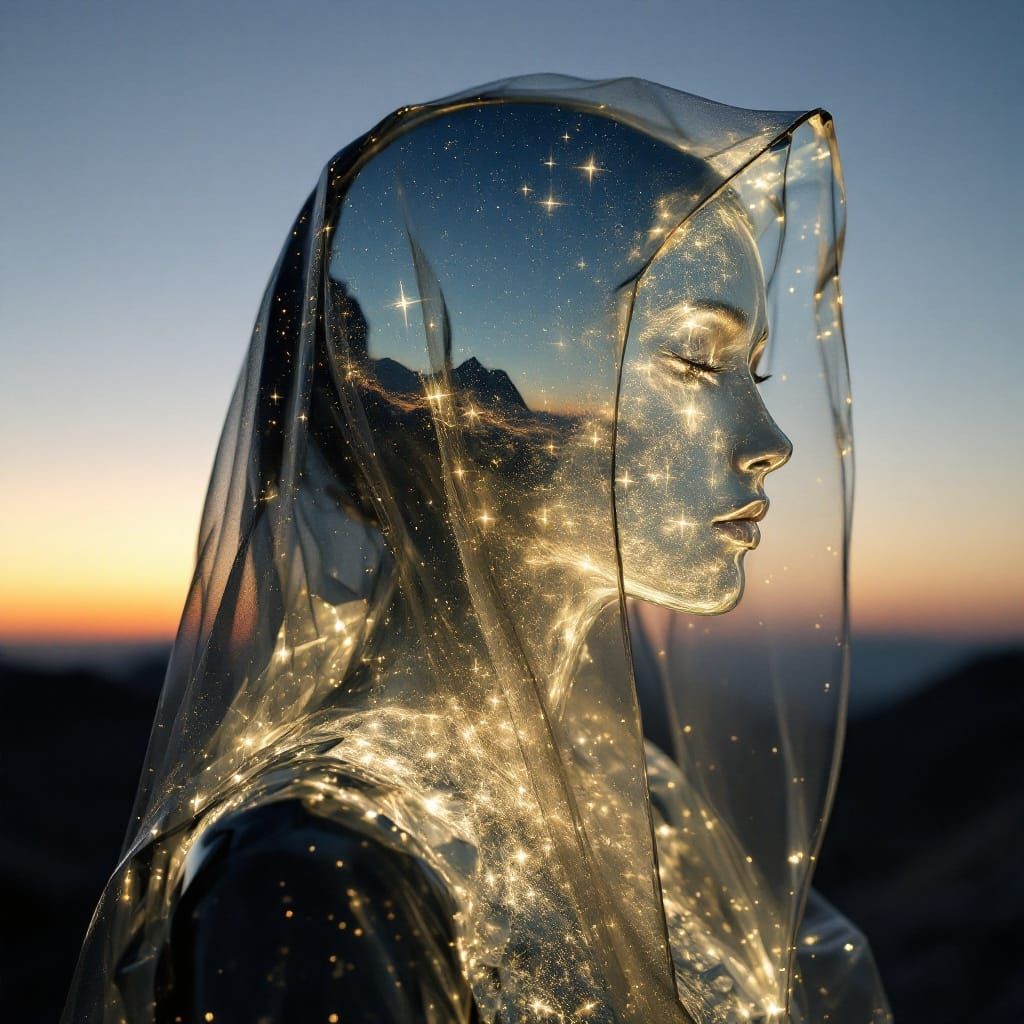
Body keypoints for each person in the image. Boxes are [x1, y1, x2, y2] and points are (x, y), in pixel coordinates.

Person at [63, 76, 891, 1024]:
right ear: (482, 417)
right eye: (700, 361)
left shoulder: (635, 807)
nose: (770, 440)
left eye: (757, 373)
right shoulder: (322, 871)